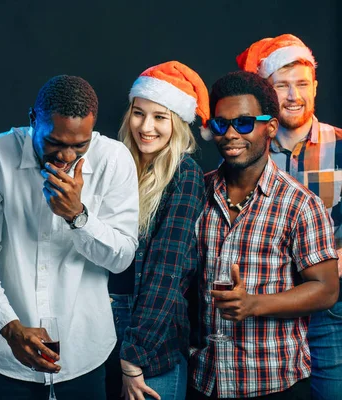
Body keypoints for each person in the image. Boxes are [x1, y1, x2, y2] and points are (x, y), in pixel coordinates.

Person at [0, 75, 139, 399]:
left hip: (84, 354)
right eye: (54, 142)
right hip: (2, 356)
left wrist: (77, 216)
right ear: (32, 121)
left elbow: (122, 258)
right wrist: (9, 327)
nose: (66, 157)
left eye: (79, 146)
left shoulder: (115, 160)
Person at [189, 71, 339, 399]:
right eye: (220, 124)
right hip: (205, 382)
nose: (230, 134)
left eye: (243, 123)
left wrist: (254, 303)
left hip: (272, 382)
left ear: (270, 127)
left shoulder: (300, 204)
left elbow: (326, 289)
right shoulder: (196, 192)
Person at [236, 34, 342, 400]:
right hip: (268, 307)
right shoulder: (247, 151)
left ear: (315, 86)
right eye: (282, 86)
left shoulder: (341, 145)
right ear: (267, 92)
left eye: (301, 84)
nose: (294, 96)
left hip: (332, 310)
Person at [105, 61, 206, 400]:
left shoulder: (184, 174)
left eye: (160, 117)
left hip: (150, 331)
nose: (146, 126)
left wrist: (134, 357)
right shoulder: (115, 164)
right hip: (100, 320)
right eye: (138, 113)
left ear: (177, 123)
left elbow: (167, 270)